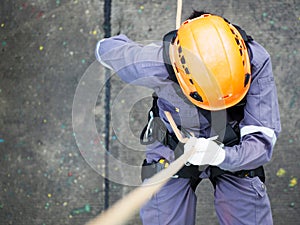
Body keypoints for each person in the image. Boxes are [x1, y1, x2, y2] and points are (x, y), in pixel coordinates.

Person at [95, 10, 281, 225]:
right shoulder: (153, 63)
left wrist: (221, 156)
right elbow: (106, 49)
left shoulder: (255, 62)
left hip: (233, 144)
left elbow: (260, 141)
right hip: (172, 144)